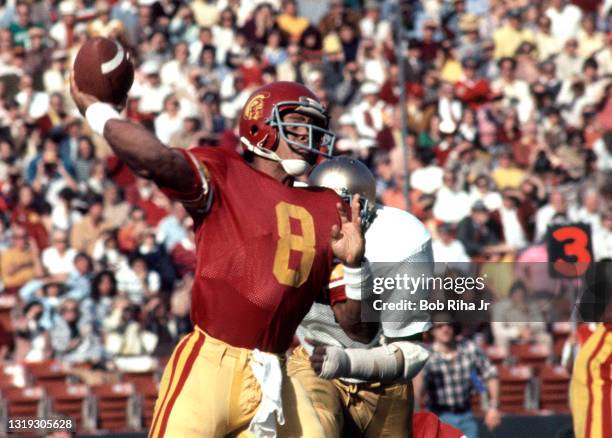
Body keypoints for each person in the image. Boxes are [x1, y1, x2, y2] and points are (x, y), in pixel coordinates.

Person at [70, 77, 370, 437]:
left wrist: (355, 266)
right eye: (297, 125)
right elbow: (157, 161)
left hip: (277, 370)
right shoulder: (226, 172)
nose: (310, 137)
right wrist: (98, 111)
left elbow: (358, 329)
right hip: (211, 364)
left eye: (315, 129)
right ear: (261, 127)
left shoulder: (327, 208)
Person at [289, 157, 433, 437]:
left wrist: (346, 361)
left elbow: (411, 352)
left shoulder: (401, 241)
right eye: (323, 209)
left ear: (365, 208)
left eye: (346, 209)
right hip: (312, 364)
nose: (337, 221)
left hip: (384, 381)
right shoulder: (293, 232)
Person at [415, 313, 501, 438]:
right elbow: (417, 388)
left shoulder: (469, 348)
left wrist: (493, 407)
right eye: (439, 326)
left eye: (449, 325)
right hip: (438, 417)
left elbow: (491, 374)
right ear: (432, 331)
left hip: (466, 416)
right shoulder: (426, 355)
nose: (445, 329)